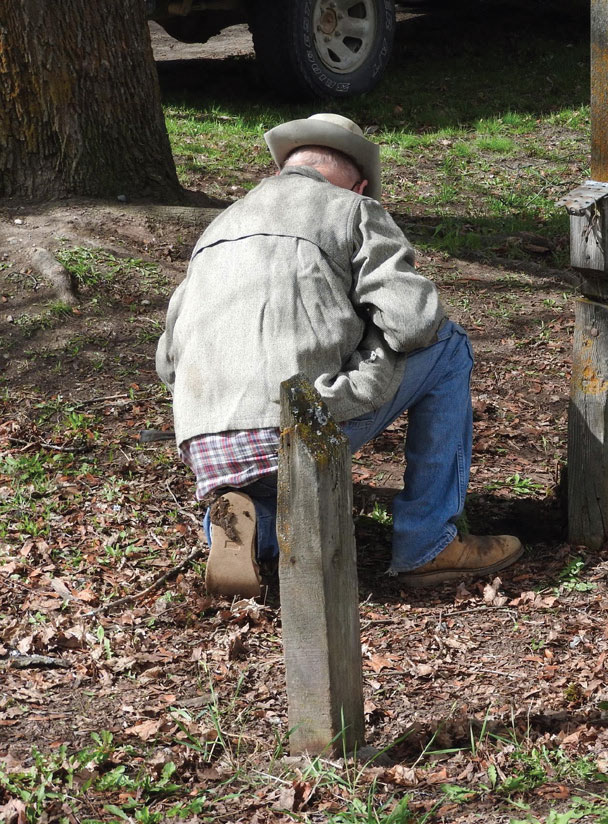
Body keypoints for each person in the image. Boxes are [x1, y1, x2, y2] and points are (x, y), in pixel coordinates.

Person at [156, 113, 522, 598]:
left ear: (284, 168)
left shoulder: (218, 227)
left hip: (205, 442)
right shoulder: (350, 209)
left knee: (280, 482)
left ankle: (247, 528)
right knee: (449, 344)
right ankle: (429, 543)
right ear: (363, 185)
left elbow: (166, 363)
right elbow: (414, 323)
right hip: (291, 423)